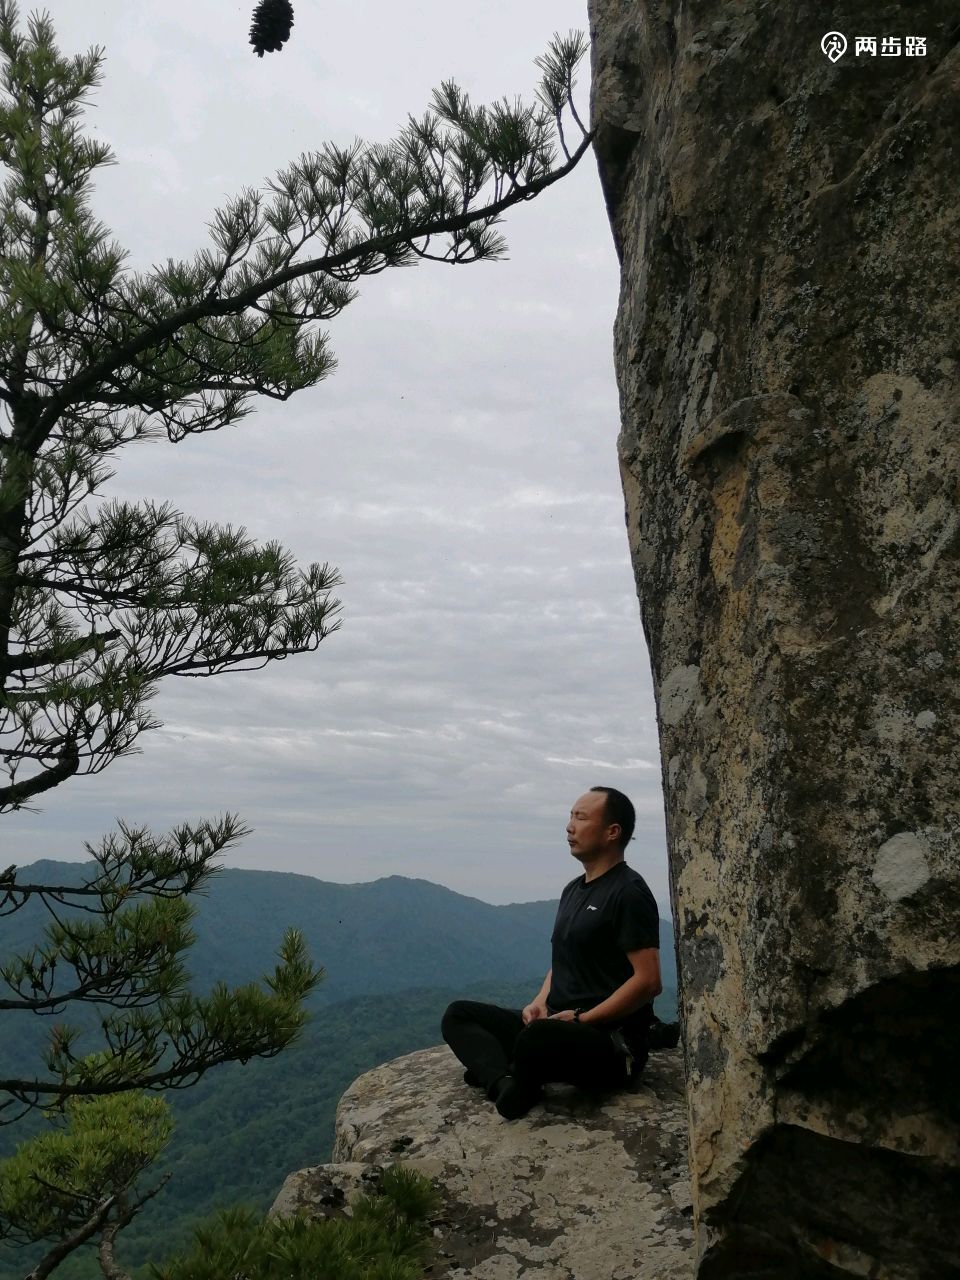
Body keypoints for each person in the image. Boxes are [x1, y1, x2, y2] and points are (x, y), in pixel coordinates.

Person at [441, 786, 662, 1120]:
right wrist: (540, 1002)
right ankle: (505, 1083)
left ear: (612, 832)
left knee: (538, 1038)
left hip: (608, 1041)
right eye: (570, 817)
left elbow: (648, 981)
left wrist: (582, 1019)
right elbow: (563, 961)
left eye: (581, 818)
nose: (569, 827)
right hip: (557, 1025)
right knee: (458, 1014)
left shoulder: (629, 892)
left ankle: (506, 1070)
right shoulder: (573, 889)